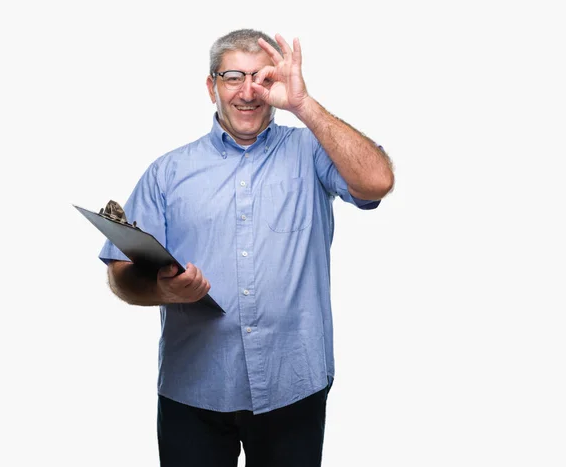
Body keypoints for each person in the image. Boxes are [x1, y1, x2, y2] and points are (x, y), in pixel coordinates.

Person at [99, 28, 394, 467]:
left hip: (292, 383)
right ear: (211, 85)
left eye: (263, 78)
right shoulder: (167, 172)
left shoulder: (311, 150)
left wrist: (303, 105)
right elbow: (121, 273)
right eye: (234, 76)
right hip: (193, 388)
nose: (249, 91)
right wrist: (167, 292)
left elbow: (378, 182)